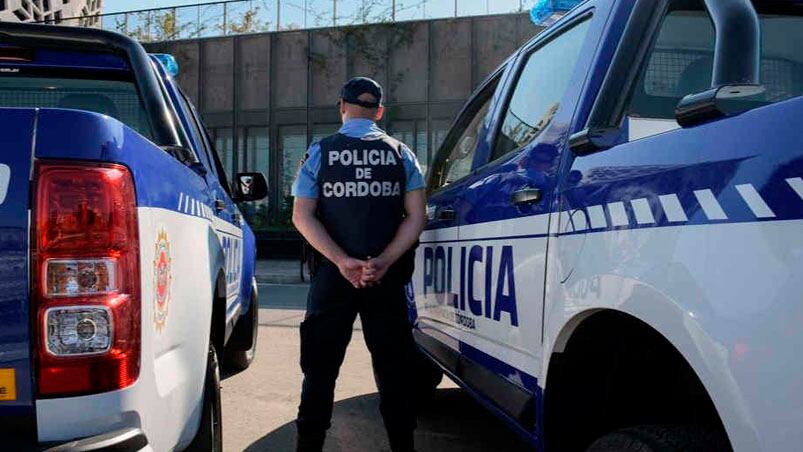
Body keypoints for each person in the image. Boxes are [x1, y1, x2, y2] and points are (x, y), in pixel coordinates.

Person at [291, 76, 427, 452]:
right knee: (393, 372)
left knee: (319, 372)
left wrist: (342, 261)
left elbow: (302, 216)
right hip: (387, 279)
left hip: (334, 281)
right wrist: (382, 261)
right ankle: (403, 446)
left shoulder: (320, 152)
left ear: (342, 107)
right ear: (379, 112)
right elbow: (416, 217)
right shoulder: (402, 154)